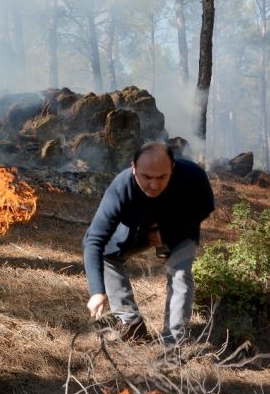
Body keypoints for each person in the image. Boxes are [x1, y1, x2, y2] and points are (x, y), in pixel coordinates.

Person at [82, 142, 214, 345]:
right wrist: (97, 291)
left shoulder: (193, 176)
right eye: (146, 177)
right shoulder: (121, 187)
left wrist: (168, 233)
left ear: (173, 167)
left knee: (180, 276)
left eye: (162, 177)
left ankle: (173, 344)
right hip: (136, 230)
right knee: (105, 256)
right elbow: (94, 240)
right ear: (133, 167)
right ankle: (131, 323)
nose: (154, 184)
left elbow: (205, 207)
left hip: (179, 228)